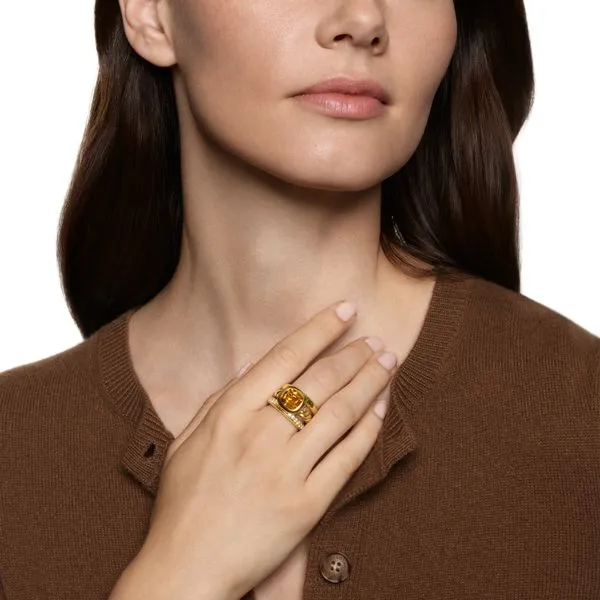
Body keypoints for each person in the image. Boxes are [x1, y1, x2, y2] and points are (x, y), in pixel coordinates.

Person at [1, 0, 598, 598]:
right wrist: (178, 576)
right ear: (153, 16)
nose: (362, 20)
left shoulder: (581, 418)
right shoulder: (16, 447)